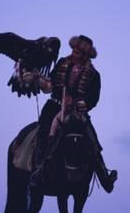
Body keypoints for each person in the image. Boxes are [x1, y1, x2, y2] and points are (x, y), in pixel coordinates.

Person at [24, 35, 118, 193]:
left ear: (85, 54)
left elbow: (94, 98)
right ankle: (39, 170)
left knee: (92, 139)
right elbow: (50, 85)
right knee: (43, 132)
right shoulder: (62, 62)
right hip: (55, 106)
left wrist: (85, 104)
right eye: (74, 50)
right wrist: (36, 79)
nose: (74, 54)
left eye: (78, 52)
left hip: (77, 112)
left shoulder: (94, 75)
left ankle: (104, 177)